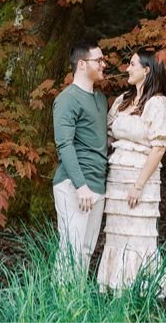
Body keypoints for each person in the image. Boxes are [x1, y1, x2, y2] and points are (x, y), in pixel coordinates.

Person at [97, 48, 166, 295]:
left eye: (132, 64)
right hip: (117, 180)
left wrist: (138, 186)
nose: (127, 68)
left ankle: (141, 292)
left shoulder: (158, 104)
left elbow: (158, 149)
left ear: (147, 69)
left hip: (140, 181)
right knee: (116, 234)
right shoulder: (122, 101)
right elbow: (110, 137)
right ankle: (116, 289)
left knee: (138, 236)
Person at [52, 40, 109, 277]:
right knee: (71, 249)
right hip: (74, 185)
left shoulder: (100, 99)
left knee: (86, 250)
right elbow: (64, 145)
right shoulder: (67, 99)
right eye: (100, 60)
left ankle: (78, 304)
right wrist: (80, 185)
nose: (104, 64)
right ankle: (61, 305)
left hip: (98, 184)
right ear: (82, 64)